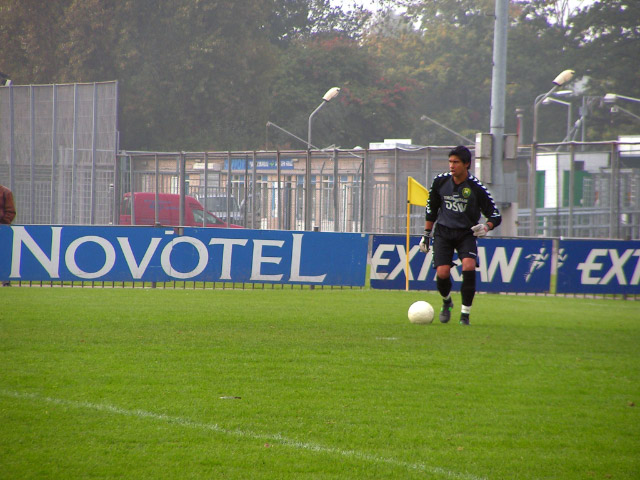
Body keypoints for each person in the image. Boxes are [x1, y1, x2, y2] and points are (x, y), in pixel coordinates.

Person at [419, 146, 501, 325]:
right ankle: (447, 301)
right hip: (443, 232)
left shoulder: (477, 188)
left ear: (466, 164)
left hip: (466, 234)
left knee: (469, 266)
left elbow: (496, 215)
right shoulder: (440, 182)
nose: (451, 165)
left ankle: (465, 315)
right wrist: (426, 234)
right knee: (442, 272)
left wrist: (486, 227)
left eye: (456, 162)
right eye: (450, 162)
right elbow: (431, 209)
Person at [1, 183, 17, 286]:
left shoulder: (5, 192)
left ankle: (5, 279)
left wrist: (3, 223)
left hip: (2, 228)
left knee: (3, 254)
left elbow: (11, 211)